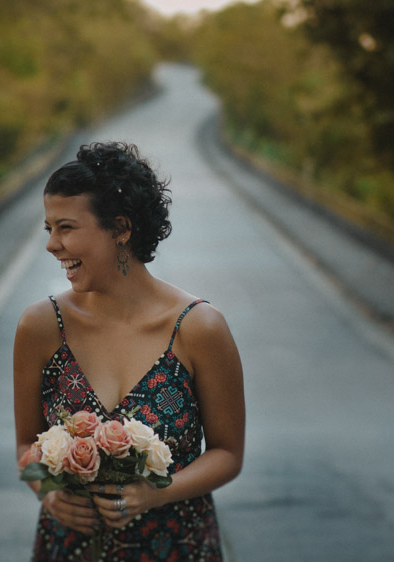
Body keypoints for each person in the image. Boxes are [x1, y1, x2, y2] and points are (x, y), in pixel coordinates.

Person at [13, 141, 245, 561]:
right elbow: (25, 446)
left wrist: (152, 496)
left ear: (120, 228)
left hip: (175, 546)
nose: (52, 244)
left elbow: (228, 454)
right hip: (70, 547)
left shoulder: (198, 328)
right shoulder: (41, 326)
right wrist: (47, 492)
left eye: (66, 227)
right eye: (49, 229)